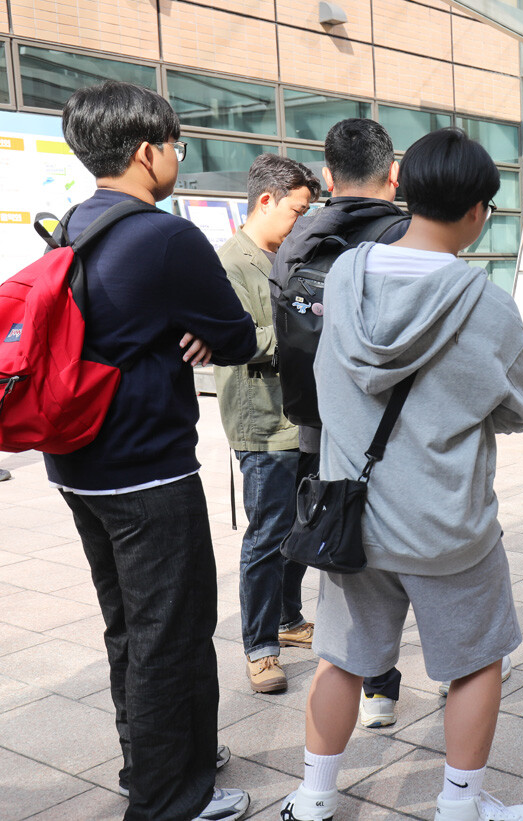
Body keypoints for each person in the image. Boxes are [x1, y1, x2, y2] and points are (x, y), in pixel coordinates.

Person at [279, 128, 523, 821]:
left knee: (341, 657)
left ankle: (313, 797)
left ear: (405, 187)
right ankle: (460, 806)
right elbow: (518, 410)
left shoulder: (346, 274)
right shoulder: (486, 302)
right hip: (447, 522)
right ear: (479, 210)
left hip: (352, 518)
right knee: (477, 659)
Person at [51, 81, 256, 820]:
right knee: (170, 630)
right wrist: (198, 332)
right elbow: (236, 334)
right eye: (175, 145)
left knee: (126, 627)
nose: (176, 157)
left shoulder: (73, 226)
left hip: (78, 466)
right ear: (147, 152)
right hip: (149, 469)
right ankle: (171, 797)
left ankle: (153, 758)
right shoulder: (164, 234)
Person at [269, 118, 411, 728]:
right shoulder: (406, 235)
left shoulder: (298, 240)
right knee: (416, 547)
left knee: (350, 551)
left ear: (327, 176)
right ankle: (416, 679)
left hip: (322, 429)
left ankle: (370, 683)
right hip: (397, 424)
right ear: (394, 172)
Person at [214, 154, 321, 694]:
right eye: (298, 211)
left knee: (303, 526)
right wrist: (306, 332)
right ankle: (260, 647)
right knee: (267, 536)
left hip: (302, 416)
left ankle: (287, 616)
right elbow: (232, 338)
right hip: (263, 424)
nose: (303, 221)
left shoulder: (289, 256)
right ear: (266, 200)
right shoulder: (230, 262)